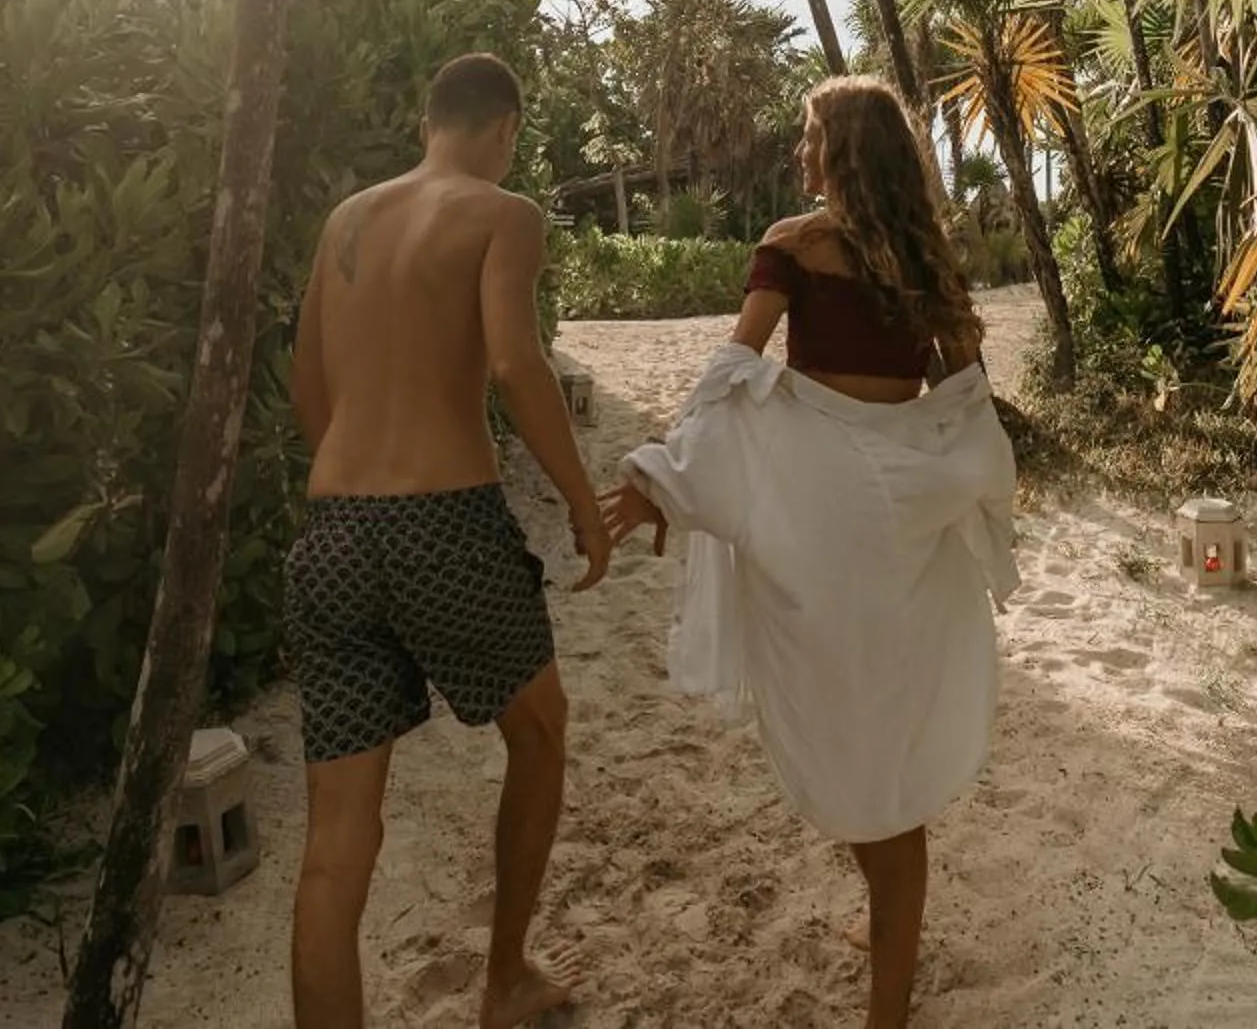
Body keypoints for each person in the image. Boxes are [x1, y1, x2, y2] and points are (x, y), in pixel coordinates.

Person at [604, 77, 1017, 1029]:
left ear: (840, 150)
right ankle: (890, 944)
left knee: (851, 744)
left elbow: (733, 375)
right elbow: (964, 409)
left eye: (808, 136)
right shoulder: (926, 259)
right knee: (884, 741)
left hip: (824, 529)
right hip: (899, 530)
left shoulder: (791, 246)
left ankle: (888, 1006)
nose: (799, 153)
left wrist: (667, 473)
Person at [286, 50, 611, 1029]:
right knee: (541, 730)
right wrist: (581, 502)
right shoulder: (502, 215)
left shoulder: (343, 224)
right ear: (503, 128)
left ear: (430, 120)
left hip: (333, 532)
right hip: (442, 526)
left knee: (337, 844)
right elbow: (515, 362)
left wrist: (360, 478)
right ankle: (505, 978)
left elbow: (309, 388)